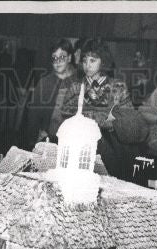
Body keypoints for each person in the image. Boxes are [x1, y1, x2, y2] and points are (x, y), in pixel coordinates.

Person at [58, 39, 149, 180]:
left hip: (111, 150)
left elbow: (129, 119)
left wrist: (110, 122)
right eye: (84, 60)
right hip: (82, 148)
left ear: (103, 62)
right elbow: (66, 116)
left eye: (92, 60)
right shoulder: (76, 87)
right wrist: (101, 119)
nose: (87, 65)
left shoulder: (118, 87)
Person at [23, 39, 78, 147]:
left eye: (62, 57)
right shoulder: (44, 82)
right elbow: (33, 115)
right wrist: (33, 141)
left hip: (72, 143)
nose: (58, 61)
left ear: (69, 58)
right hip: (46, 141)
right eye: (54, 58)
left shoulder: (79, 83)